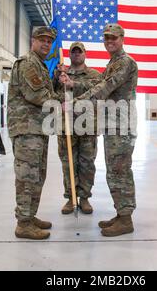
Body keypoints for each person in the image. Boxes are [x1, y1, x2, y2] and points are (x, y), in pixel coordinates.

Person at [61, 23, 138, 237]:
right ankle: (121, 215)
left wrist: (75, 103)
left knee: (120, 171)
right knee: (114, 171)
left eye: (114, 37)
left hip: (121, 125)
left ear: (122, 38)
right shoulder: (113, 62)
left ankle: (126, 219)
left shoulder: (124, 62)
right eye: (106, 38)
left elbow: (103, 88)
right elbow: (96, 85)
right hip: (113, 124)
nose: (109, 41)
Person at [7, 26, 62, 240]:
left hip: (37, 129)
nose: (46, 44)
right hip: (27, 128)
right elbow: (37, 95)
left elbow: (46, 91)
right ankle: (23, 223)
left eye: (49, 41)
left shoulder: (40, 65)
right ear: (33, 41)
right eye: (42, 40)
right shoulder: (28, 63)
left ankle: (29, 216)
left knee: (37, 175)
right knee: (27, 177)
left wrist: (56, 78)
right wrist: (64, 101)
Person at [53, 42, 102, 215]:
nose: (76, 55)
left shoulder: (94, 74)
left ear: (85, 54)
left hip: (88, 127)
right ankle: (70, 198)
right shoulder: (61, 74)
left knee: (87, 164)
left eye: (79, 52)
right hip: (66, 126)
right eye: (73, 52)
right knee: (68, 164)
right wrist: (57, 75)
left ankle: (85, 198)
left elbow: (98, 91)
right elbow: (51, 91)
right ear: (69, 55)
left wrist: (73, 83)